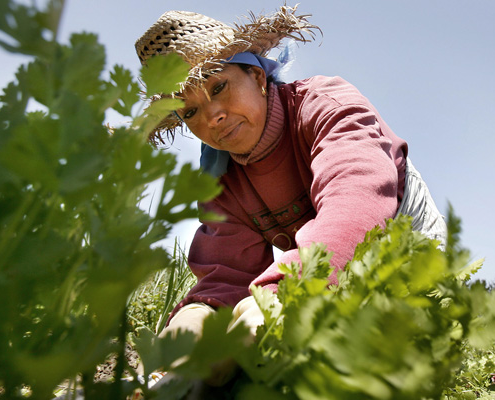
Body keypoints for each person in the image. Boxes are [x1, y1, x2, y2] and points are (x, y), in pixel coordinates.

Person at [135, 4, 447, 386]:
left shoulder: (326, 106)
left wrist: (282, 291)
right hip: (322, 261)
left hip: (401, 241)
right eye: (190, 111)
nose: (213, 115)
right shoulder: (220, 176)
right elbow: (227, 272)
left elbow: (355, 204)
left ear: (257, 76)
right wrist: (196, 319)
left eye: (219, 87)